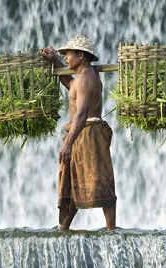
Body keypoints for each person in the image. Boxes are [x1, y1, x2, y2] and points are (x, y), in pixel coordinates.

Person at [40, 35, 117, 231]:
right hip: (82, 132)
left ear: (81, 55)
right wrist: (55, 61)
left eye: (68, 55)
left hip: (88, 133)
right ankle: (63, 227)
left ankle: (111, 229)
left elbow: (82, 113)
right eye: (63, 55)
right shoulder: (83, 77)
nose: (66, 57)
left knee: (99, 177)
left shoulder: (86, 79)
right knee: (72, 179)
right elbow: (71, 86)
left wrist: (68, 144)